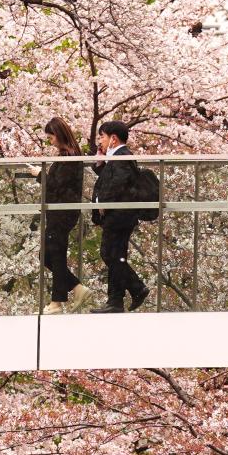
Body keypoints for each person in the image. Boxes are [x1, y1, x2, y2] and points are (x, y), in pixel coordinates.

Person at [27, 118, 92, 314]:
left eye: (51, 136)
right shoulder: (69, 155)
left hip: (62, 213)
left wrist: (40, 175)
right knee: (50, 255)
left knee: (53, 255)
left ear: (59, 134)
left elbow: (58, 185)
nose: (50, 141)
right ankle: (75, 289)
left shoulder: (69, 157)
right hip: (61, 212)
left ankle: (58, 301)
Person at [89, 121, 148, 314]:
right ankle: (115, 300)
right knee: (116, 255)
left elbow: (118, 182)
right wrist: (100, 162)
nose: (99, 141)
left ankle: (136, 288)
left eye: (102, 137)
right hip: (121, 214)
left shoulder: (122, 157)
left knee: (109, 253)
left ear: (113, 138)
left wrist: (104, 203)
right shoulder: (119, 158)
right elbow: (111, 177)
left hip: (119, 215)